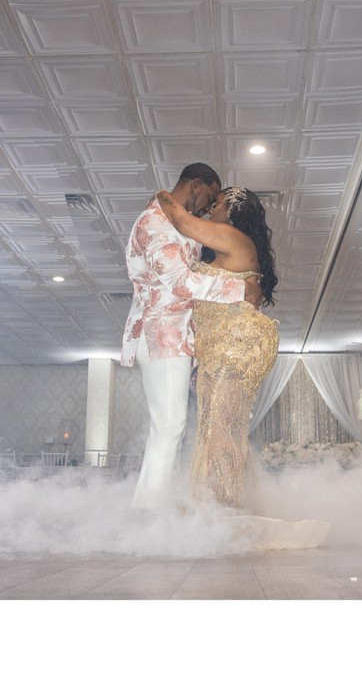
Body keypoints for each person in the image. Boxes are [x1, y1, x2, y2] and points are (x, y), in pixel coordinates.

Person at [122, 163, 261, 511]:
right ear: (196, 186)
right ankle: (147, 514)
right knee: (169, 425)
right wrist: (238, 290)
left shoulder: (172, 220)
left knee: (172, 427)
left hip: (179, 338)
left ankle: (150, 509)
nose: (208, 207)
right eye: (210, 197)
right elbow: (180, 283)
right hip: (160, 334)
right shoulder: (153, 223)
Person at [154, 185, 279, 509]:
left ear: (233, 210)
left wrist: (163, 194)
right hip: (218, 346)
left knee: (219, 429)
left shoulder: (233, 237)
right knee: (216, 428)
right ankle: (225, 501)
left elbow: (181, 221)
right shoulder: (226, 243)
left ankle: (223, 507)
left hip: (236, 342)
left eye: (218, 202)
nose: (211, 207)